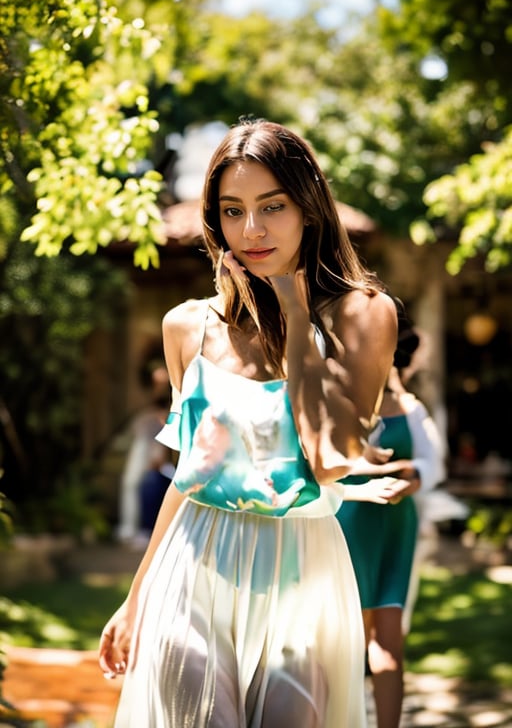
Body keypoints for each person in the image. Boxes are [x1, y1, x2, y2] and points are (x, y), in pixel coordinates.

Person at [99, 117, 409, 728]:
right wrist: (135, 599)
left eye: (273, 206)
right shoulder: (187, 326)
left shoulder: (363, 315)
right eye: (233, 210)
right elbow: (190, 474)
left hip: (302, 574)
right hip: (194, 566)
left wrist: (295, 320)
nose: (253, 230)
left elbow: (329, 459)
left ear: (309, 209)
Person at [336, 311, 446, 728]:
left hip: (395, 526)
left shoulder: (410, 408)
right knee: (345, 637)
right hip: (348, 522)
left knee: (388, 635)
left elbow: (434, 464)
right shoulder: (340, 401)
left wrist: (413, 476)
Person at [116, 363, 171, 548]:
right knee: (130, 482)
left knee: (151, 484)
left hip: (159, 440)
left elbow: (166, 419)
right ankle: (128, 529)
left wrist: (161, 452)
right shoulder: (143, 394)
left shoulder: (171, 393)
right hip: (142, 439)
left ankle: (147, 530)